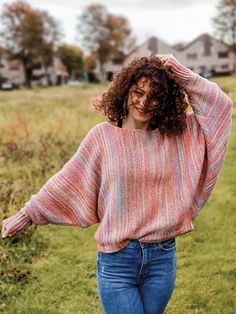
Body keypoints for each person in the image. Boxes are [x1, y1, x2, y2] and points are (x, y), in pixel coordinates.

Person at [1, 54, 233, 314]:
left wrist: (178, 71)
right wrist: (27, 213)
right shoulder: (102, 137)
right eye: (138, 91)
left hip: (162, 258)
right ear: (125, 91)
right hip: (118, 261)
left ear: (164, 102)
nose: (144, 101)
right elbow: (68, 180)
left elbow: (221, 106)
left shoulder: (176, 136)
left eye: (154, 95)